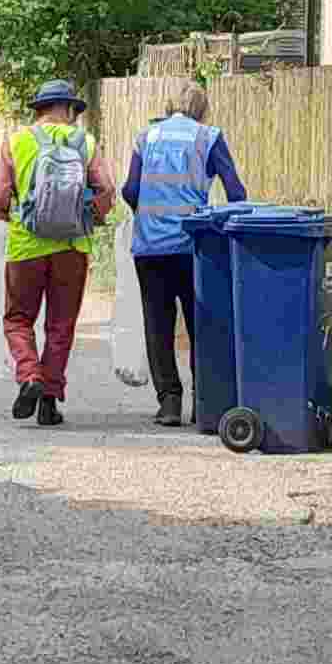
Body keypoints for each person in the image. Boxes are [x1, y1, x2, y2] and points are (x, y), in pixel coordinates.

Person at [0, 78, 113, 428]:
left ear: (39, 108)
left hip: (26, 246)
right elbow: (106, 191)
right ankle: (50, 402)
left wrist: (2, 213)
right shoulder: (84, 142)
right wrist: (93, 217)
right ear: (68, 108)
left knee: (18, 319)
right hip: (72, 246)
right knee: (61, 325)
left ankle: (29, 376)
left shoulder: (16, 141)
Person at [124, 82, 249, 428]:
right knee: (200, 325)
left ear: (168, 107)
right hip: (194, 246)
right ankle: (204, 402)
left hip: (150, 247)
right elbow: (236, 191)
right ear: (202, 110)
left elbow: (130, 189)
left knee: (158, 324)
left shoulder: (145, 137)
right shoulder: (208, 137)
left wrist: (148, 214)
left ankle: (169, 403)